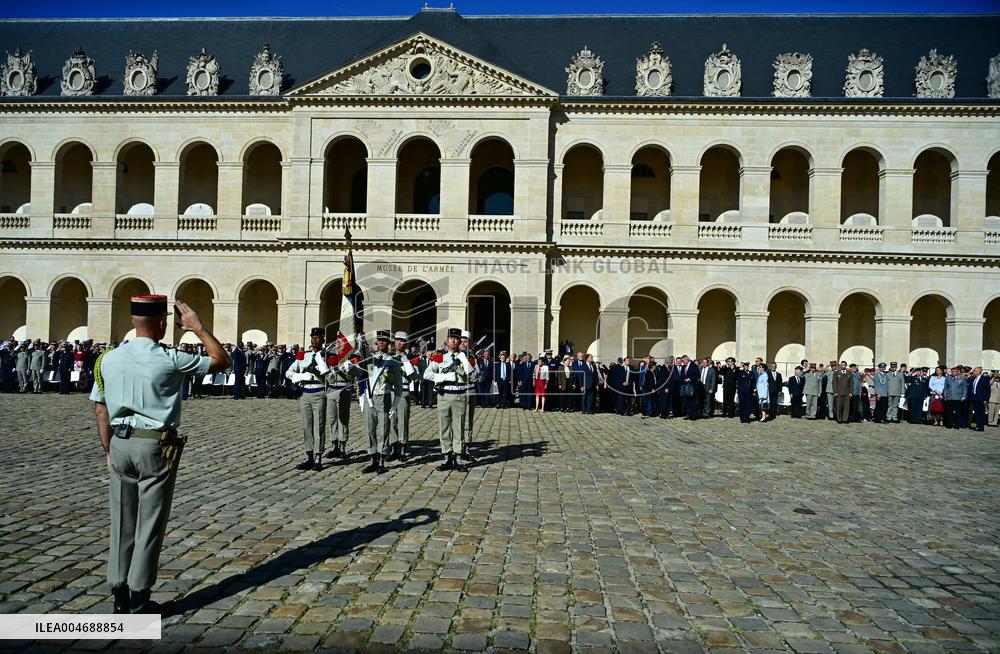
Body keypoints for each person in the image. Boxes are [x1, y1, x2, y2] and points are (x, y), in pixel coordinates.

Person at [91, 295, 229, 614]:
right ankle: (140, 596)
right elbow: (222, 361)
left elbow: (100, 410)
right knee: (150, 522)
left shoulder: (107, 359)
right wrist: (198, 328)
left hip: (119, 443)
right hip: (154, 444)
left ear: (133, 321)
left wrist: (109, 449)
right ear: (163, 324)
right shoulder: (170, 359)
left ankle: (119, 593)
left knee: (121, 520)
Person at [344, 330, 404, 474]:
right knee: (369, 429)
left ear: (388, 343)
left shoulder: (394, 362)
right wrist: (348, 365)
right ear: (376, 342)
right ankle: (373, 459)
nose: (381, 342)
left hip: (384, 397)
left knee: (384, 429)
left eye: (384, 340)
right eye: (379, 340)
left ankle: (382, 460)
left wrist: (394, 406)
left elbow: (398, 386)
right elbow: (360, 374)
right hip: (370, 397)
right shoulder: (369, 360)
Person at [424, 327, 476, 471]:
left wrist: (465, 363)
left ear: (460, 341)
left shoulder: (463, 357)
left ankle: (458, 458)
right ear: (447, 341)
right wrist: (443, 377)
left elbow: (472, 376)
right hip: (444, 395)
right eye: (451, 338)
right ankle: (447, 457)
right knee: (444, 426)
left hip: (460, 395)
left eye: (456, 338)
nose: (453, 340)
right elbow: (426, 374)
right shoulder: (440, 357)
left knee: (459, 426)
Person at [286, 327, 331, 471]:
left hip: (319, 394)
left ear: (323, 339)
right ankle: (309, 455)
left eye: (317, 337)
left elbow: (331, 377)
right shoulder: (302, 356)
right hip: (305, 394)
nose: (314, 339)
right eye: (312, 336)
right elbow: (289, 372)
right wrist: (299, 376)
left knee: (319, 426)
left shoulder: (328, 356)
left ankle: (318, 456)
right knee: (307, 426)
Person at [388, 331, 420, 461]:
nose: (399, 343)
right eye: (397, 340)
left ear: (406, 343)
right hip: (390, 391)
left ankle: (402, 448)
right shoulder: (389, 357)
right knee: (391, 421)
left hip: (403, 391)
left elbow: (415, 375)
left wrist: (405, 364)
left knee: (402, 421)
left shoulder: (410, 357)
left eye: (402, 341)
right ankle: (393, 447)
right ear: (394, 342)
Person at [324, 342, 353, 461]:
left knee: (343, 419)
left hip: (344, 389)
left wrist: (341, 365)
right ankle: (334, 445)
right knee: (332, 419)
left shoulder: (349, 355)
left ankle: (342, 446)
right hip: (331, 389)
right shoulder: (329, 354)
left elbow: (351, 373)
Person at [970, 366, 990, 432]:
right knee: (976, 413)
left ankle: (981, 427)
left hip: (981, 398)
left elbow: (987, 390)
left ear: (979, 371)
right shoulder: (973, 379)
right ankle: (977, 425)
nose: (973, 372)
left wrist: (986, 399)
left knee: (981, 413)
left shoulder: (984, 379)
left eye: (975, 370)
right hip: (974, 398)